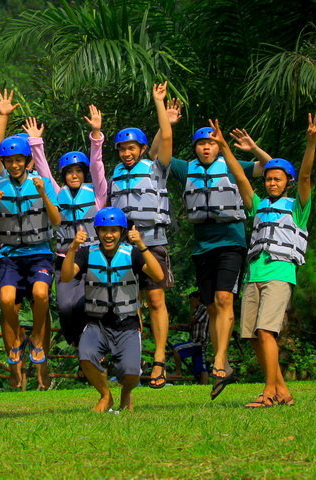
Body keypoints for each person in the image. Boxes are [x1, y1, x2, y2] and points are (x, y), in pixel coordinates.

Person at [158, 109, 272, 399]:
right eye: (201, 143)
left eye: (211, 142)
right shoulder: (186, 169)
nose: (206, 147)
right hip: (203, 247)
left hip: (231, 242)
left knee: (224, 299)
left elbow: (274, 169)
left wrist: (254, 148)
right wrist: (166, 122)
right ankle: (224, 364)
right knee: (210, 307)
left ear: (218, 146)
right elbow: (158, 153)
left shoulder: (235, 165)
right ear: (195, 148)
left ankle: (221, 360)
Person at [217, 114, 316, 407]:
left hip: (279, 272)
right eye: (269, 178)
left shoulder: (298, 207)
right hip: (254, 274)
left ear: (287, 183)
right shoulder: (259, 205)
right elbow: (239, 177)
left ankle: (269, 391)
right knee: (251, 335)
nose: (272, 183)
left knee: (266, 331)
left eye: (278, 179)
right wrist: (224, 145)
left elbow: (306, 176)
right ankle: (283, 390)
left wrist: (311, 142)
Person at [96, 82, 174, 388]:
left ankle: (159, 362)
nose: (127, 153)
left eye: (132, 148)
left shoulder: (156, 168)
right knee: (129, 305)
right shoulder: (116, 174)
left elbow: (166, 136)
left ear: (142, 149)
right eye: (122, 148)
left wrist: (159, 103)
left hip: (153, 242)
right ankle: (131, 363)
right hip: (124, 249)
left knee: (156, 300)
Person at [60, 207, 163, 412]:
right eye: (104, 230)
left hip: (126, 323)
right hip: (96, 322)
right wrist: (72, 249)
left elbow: (158, 275)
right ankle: (105, 395)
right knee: (86, 357)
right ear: (97, 231)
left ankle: (126, 393)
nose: (109, 235)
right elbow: (65, 276)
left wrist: (141, 244)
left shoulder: (132, 253)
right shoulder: (87, 253)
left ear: (122, 232)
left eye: (114, 230)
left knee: (131, 372)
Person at [25, 109, 108, 349]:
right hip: (65, 259)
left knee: (89, 305)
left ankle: (92, 349)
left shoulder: (97, 193)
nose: (74, 175)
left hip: (93, 257)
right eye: (70, 172)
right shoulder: (58, 193)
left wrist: (95, 134)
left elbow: (98, 165)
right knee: (65, 307)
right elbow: (42, 170)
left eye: (78, 171)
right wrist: (35, 142)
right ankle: (75, 341)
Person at [0, 131, 61, 388]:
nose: (15, 165)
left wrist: (43, 195)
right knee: (6, 300)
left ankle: (38, 339)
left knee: (41, 294)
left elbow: (56, 220)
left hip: (39, 251)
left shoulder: (41, 183)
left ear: (28, 161)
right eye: (10, 161)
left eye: (19, 160)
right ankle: (16, 341)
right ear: (4, 164)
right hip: (9, 255)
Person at [172, 291, 210, 385]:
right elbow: (190, 325)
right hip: (197, 341)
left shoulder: (202, 308)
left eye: (192, 300)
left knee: (176, 349)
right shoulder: (198, 310)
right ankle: (203, 386)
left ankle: (178, 372)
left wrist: (191, 309)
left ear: (198, 299)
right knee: (201, 366)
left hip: (199, 341)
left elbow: (192, 321)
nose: (191, 303)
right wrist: (180, 326)